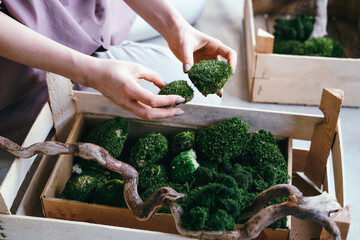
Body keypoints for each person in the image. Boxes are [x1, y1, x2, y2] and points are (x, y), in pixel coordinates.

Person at [0, 0, 237, 144]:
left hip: (82, 19)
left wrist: (175, 26)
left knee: (194, 6)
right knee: (171, 86)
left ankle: (101, 51)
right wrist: (90, 73)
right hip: (23, 62)